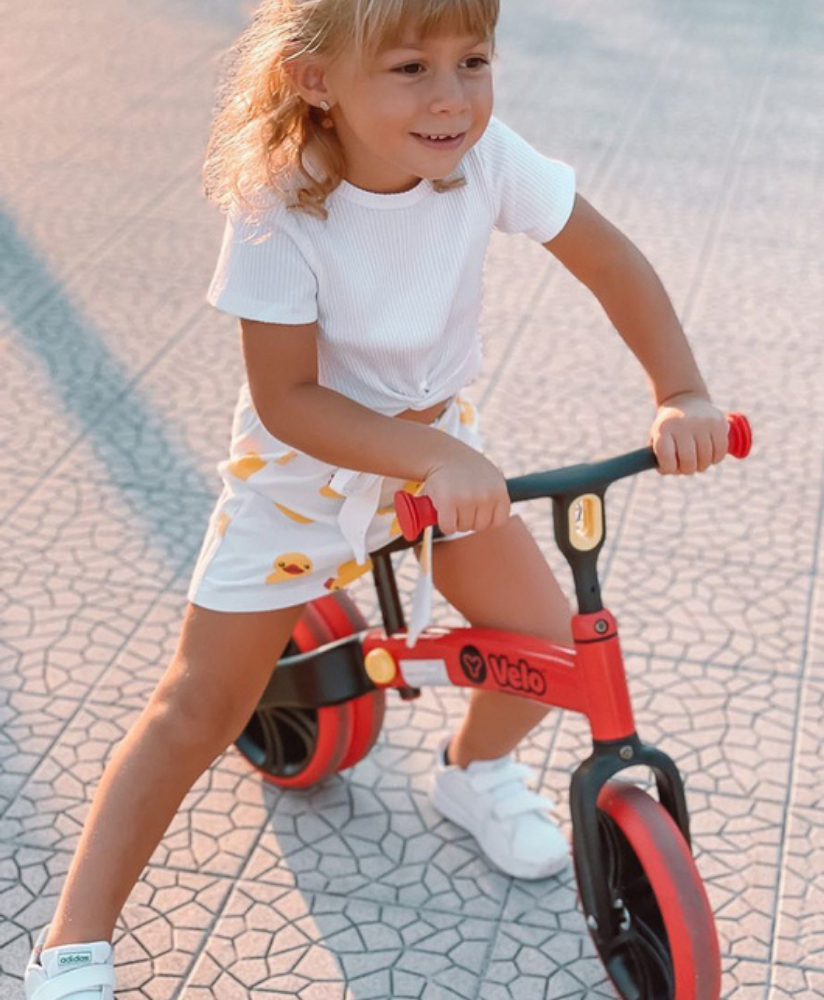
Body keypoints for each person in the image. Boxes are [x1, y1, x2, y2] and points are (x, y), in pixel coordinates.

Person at [24, 0, 731, 996]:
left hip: (438, 450)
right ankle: (70, 943)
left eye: (473, 59)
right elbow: (288, 399)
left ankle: (472, 772)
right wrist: (421, 454)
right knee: (198, 702)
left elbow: (607, 259)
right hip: (304, 471)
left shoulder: (486, 161)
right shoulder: (281, 202)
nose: (450, 98)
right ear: (317, 79)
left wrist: (679, 391)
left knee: (549, 642)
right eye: (409, 68)